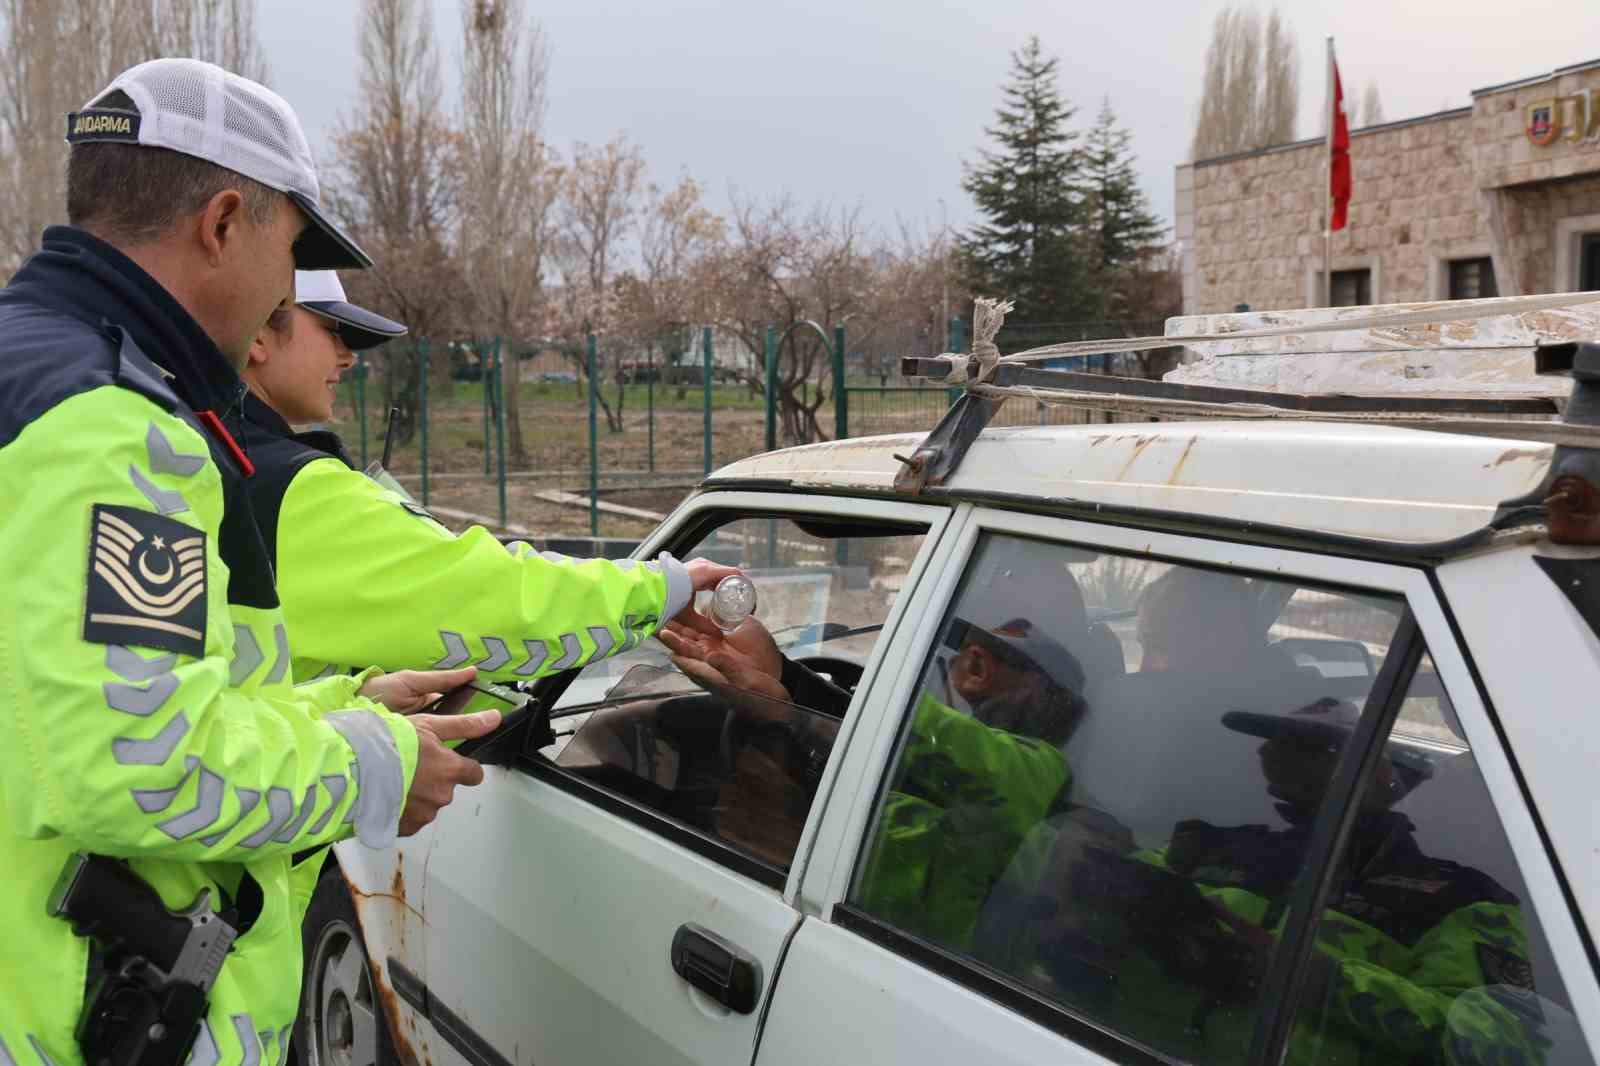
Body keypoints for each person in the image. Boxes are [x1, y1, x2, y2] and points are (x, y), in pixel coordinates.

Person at [0, 60, 493, 1066]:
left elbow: (71, 708)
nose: (286, 292)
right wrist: (376, 760)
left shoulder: (30, 364)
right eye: (293, 249)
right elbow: (141, 768)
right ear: (225, 223)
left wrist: (333, 709)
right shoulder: (113, 429)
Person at [236, 269, 740, 686]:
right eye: (331, 331)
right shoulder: (292, 488)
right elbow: (489, 595)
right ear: (259, 332)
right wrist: (658, 589)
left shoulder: (215, 456)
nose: (347, 356)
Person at [989, 698, 1543, 1066]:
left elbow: (1506, 1044)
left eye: (1309, 750)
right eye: (1274, 744)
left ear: (1378, 774)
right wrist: (1091, 878)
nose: (1268, 755)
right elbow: (1110, 905)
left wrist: (1312, 978)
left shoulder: (1461, 897)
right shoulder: (1223, 849)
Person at [661, 591, 1092, 949]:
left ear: (978, 668)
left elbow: (926, 752)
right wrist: (788, 696)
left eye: (956, 656)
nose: (956, 666)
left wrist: (792, 706)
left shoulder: (1033, 777)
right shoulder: (1036, 799)